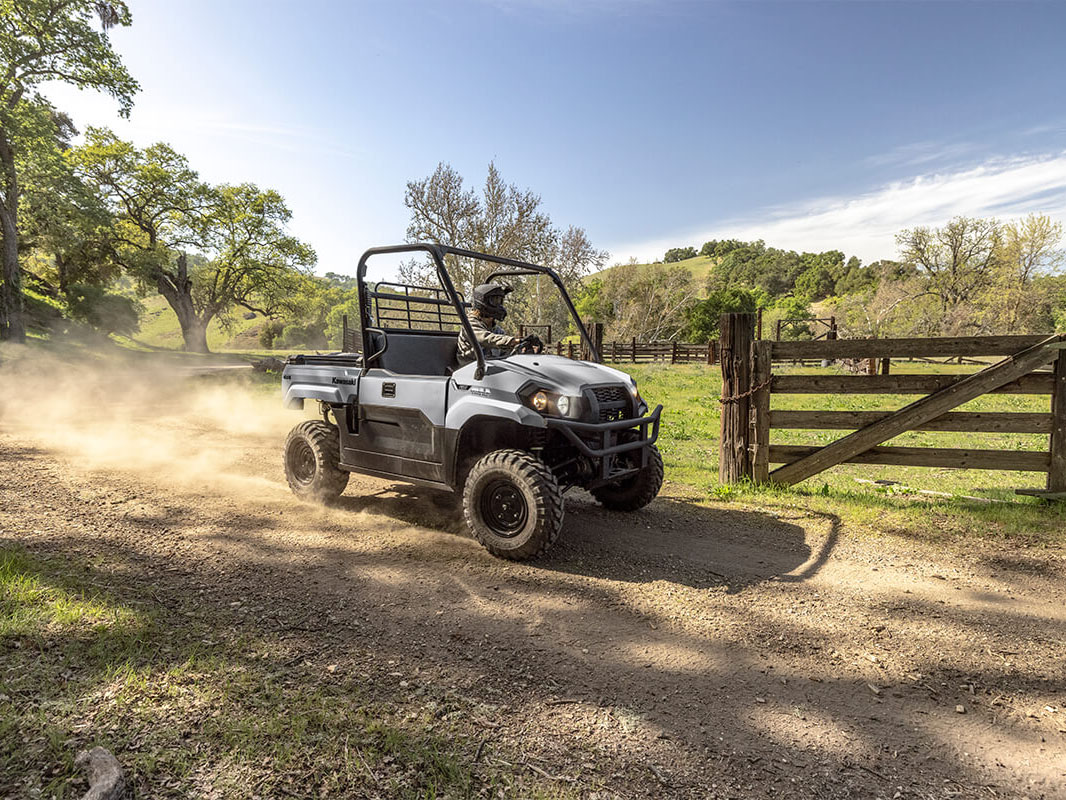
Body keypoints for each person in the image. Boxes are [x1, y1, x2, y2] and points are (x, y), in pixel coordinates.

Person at [457, 283, 540, 365]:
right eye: (495, 301)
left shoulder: (496, 330)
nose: (499, 305)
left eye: (500, 300)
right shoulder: (469, 324)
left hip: (490, 367)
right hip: (470, 369)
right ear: (482, 302)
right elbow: (487, 339)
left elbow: (505, 353)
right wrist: (516, 341)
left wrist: (522, 348)